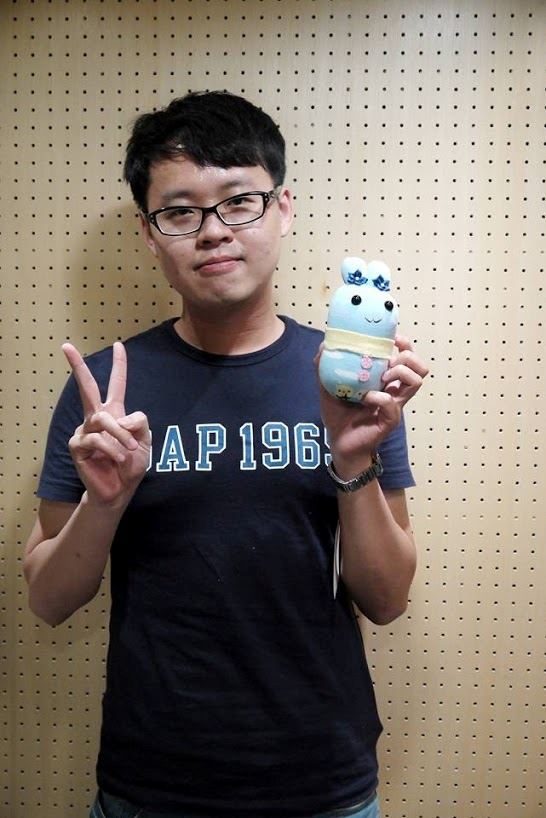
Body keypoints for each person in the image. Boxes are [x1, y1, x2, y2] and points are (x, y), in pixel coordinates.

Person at [24, 91, 428, 818]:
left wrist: (352, 460)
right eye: (180, 212)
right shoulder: (105, 389)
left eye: (239, 202)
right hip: (151, 786)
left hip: (323, 783)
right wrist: (105, 505)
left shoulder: (348, 381)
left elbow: (387, 599)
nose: (213, 231)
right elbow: (49, 600)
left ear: (283, 208)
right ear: (150, 235)